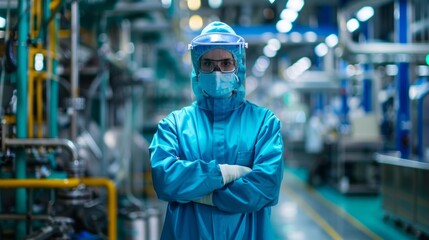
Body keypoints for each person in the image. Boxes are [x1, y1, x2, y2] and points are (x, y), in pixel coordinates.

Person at [149, 21, 284, 239]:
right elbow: (165, 180)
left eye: (225, 63)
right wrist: (228, 173)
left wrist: (197, 191)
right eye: (208, 64)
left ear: (238, 66)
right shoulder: (174, 125)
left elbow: (266, 187)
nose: (217, 71)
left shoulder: (264, 123)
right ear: (197, 68)